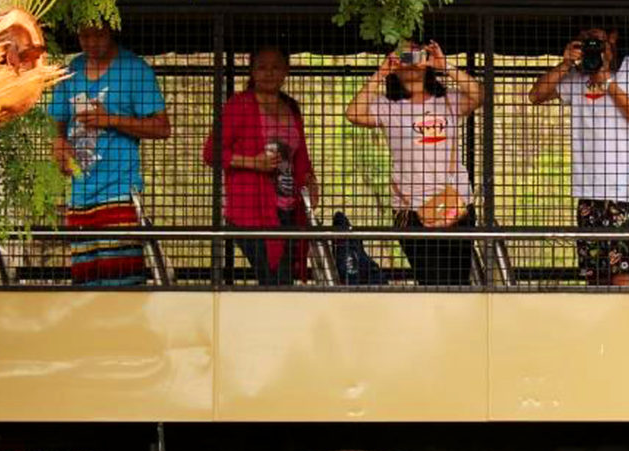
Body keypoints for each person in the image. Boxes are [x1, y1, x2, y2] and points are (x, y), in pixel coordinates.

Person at [346, 40, 483, 286]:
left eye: (415, 54)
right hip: (412, 209)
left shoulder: (449, 101)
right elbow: (354, 113)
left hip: (455, 202)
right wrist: (381, 73)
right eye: (402, 55)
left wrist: (445, 65)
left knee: (459, 282)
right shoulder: (387, 106)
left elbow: (479, 95)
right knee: (431, 282)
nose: (409, 60)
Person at [47, 23, 171, 286]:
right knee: (85, 284)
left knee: (121, 283)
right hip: (79, 195)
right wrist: (58, 142)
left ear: (112, 30)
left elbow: (162, 127)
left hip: (119, 193)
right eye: (84, 35)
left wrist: (111, 119)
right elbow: (56, 120)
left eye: (98, 35)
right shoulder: (72, 70)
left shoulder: (134, 69)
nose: (91, 42)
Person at [529, 28, 629, 286]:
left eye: (596, 40)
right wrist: (565, 64)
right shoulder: (576, 74)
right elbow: (536, 95)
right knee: (594, 275)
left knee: (623, 273)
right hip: (587, 190)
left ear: (613, 37)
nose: (592, 46)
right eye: (586, 41)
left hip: (623, 192)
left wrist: (607, 81)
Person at [203, 45, 320, 285]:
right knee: (274, 278)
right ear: (252, 72)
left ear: (286, 71)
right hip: (250, 210)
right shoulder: (240, 105)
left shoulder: (291, 107)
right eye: (262, 67)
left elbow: (302, 156)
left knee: (284, 277)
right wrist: (253, 162)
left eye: (276, 67)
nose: (269, 73)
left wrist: (310, 181)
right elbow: (210, 152)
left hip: (288, 207)